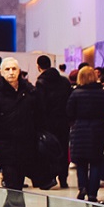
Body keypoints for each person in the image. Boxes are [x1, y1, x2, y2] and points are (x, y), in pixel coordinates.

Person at [0, 57, 38, 207]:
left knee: (17, 182)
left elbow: (39, 116)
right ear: (1, 72)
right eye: (7, 69)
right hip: (4, 145)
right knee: (12, 180)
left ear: (19, 71)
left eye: (14, 69)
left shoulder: (30, 92)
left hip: (26, 143)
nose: (11, 72)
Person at [66, 65, 104, 207]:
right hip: (98, 130)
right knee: (96, 162)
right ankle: (92, 193)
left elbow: (69, 113)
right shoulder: (103, 93)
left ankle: (82, 188)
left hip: (80, 130)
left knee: (81, 163)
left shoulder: (75, 93)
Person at [34, 54, 74, 189]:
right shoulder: (64, 81)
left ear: (38, 66)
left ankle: (50, 177)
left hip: (47, 123)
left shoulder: (41, 83)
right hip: (63, 121)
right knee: (63, 148)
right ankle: (63, 178)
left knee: (48, 149)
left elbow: (40, 105)